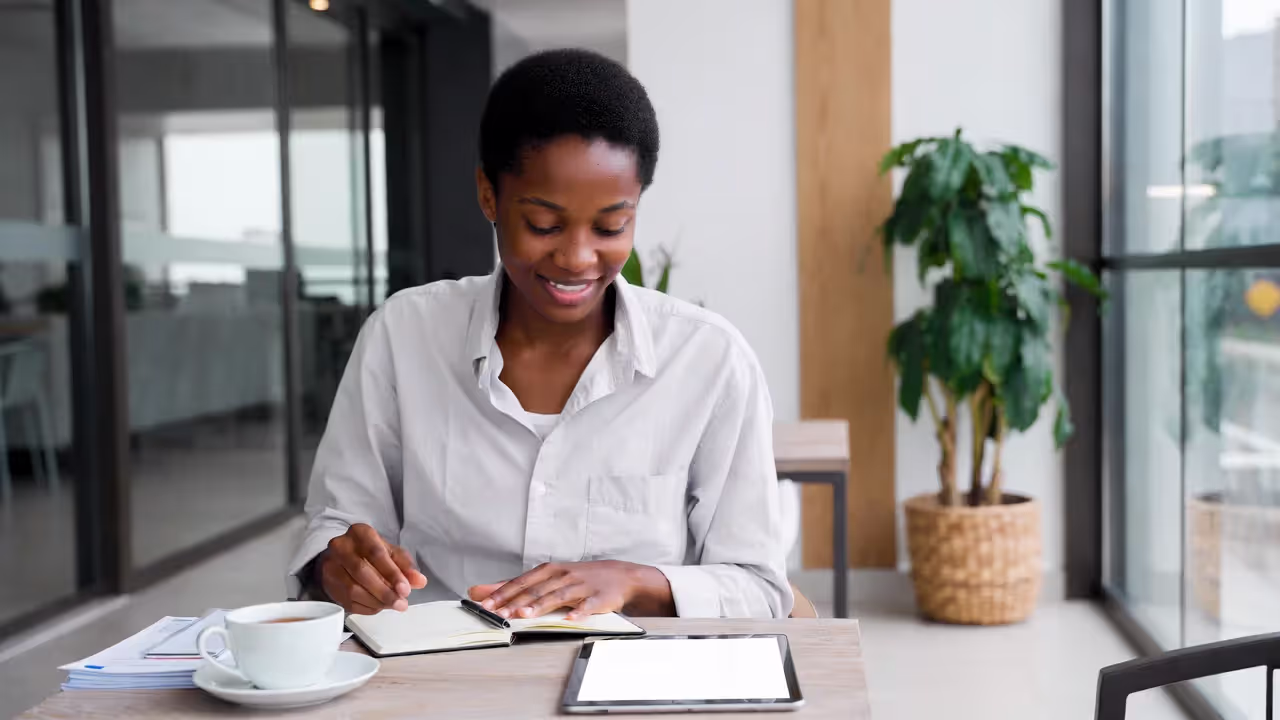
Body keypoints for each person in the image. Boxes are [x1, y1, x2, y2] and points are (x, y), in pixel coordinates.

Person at [289, 49, 792, 620]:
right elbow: (336, 526)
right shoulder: (404, 338)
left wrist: (634, 581)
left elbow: (761, 589)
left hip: (626, 688)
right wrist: (339, 565)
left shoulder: (708, 360)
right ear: (489, 196)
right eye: (544, 224)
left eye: (610, 226)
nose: (578, 258)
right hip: (444, 683)